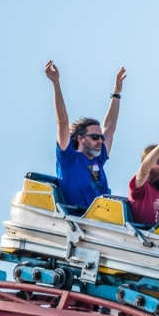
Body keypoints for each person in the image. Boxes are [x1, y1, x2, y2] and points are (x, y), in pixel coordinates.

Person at [45, 60, 127, 209]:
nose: (100, 141)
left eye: (101, 138)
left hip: (99, 222)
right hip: (77, 223)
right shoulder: (68, 159)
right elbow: (62, 122)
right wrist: (56, 83)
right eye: (95, 137)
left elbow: (110, 127)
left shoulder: (98, 159)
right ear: (81, 139)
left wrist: (116, 94)